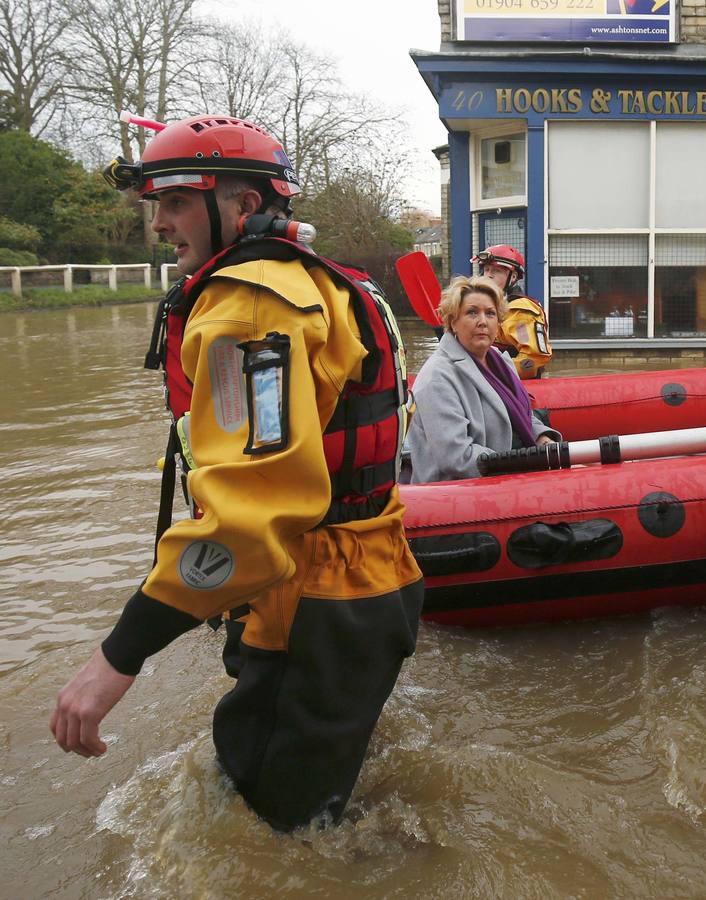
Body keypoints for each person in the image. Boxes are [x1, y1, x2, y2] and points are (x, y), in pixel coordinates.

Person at [50, 116, 424, 831]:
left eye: (177, 201)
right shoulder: (319, 282)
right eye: (154, 203)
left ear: (244, 207)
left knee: (271, 833)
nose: (159, 222)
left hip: (313, 600)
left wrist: (116, 659)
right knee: (316, 811)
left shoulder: (251, 302)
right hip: (363, 580)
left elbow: (250, 518)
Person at [404, 276, 560, 483]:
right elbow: (456, 456)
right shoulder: (437, 377)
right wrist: (522, 466)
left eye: (490, 313)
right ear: (453, 322)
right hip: (457, 494)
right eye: (471, 312)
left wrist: (542, 437)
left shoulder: (500, 363)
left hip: (505, 475)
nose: (482, 321)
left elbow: (522, 414)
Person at [474, 244, 551, 379]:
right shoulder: (488, 307)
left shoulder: (519, 312)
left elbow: (533, 358)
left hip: (514, 388)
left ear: (513, 277)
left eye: (496, 271)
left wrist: (492, 374)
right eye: (486, 270)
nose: (488, 276)